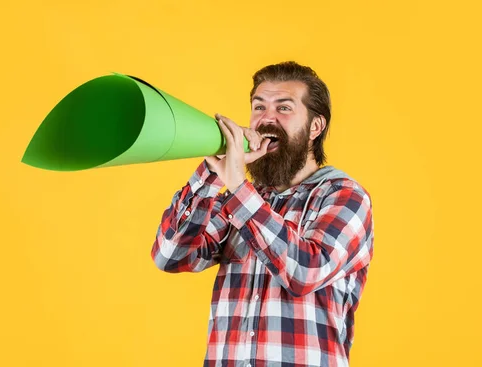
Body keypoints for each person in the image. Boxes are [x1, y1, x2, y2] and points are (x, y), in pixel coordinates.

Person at [151, 61, 374, 367]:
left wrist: (237, 186)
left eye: (284, 108)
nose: (267, 119)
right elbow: (170, 255)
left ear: (315, 127)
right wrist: (211, 173)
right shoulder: (244, 199)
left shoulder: (344, 196)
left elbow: (303, 272)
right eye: (259, 108)